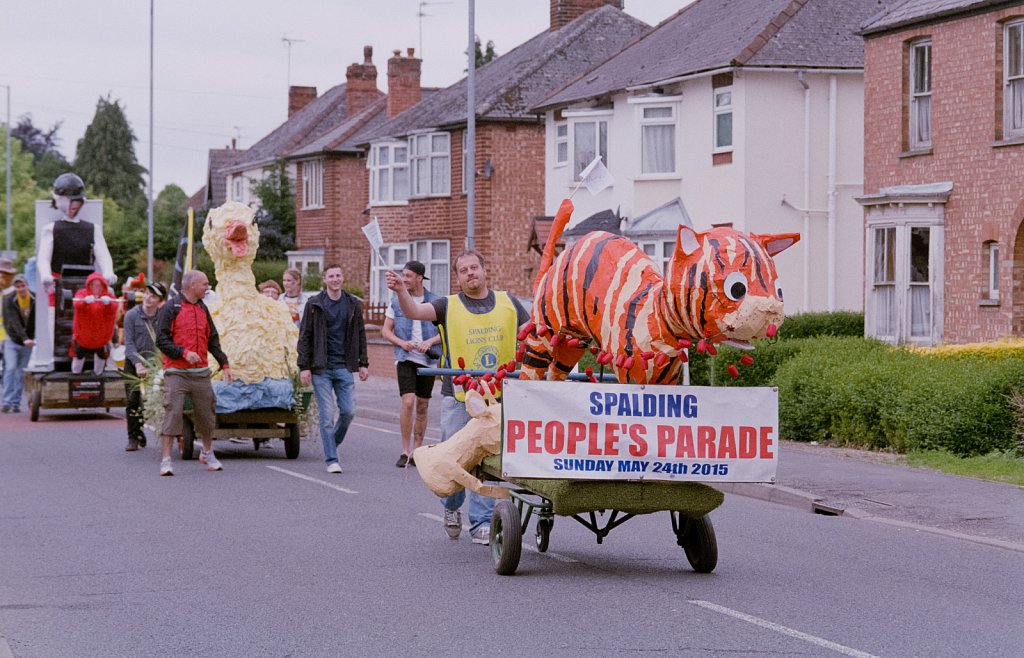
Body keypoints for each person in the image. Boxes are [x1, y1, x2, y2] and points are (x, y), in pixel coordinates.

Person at [387, 250, 528, 545]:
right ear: (458, 278)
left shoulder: (509, 303)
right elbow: (414, 312)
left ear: (485, 270)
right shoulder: (446, 305)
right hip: (459, 396)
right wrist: (401, 291)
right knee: (456, 459)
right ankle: (451, 506)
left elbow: (532, 335)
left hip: (497, 398)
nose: (470, 273)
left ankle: (481, 523)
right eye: (463, 270)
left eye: (474, 267)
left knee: (488, 460)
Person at [155, 270, 232, 476]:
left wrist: (224, 363)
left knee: (207, 414)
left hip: (200, 372)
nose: (208, 287)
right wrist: (183, 353)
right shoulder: (171, 308)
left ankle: (207, 452)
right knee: (173, 412)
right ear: (192, 286)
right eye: (204, 284)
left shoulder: (202, 308)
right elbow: (161, 340)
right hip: (176, 372)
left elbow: (212, 339)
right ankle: (166, 460)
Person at [297, 264, 369, 474]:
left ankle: (331, 443)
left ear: (342, 278)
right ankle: (332, 459)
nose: (335, 279)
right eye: (331, 276)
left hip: (344, 365)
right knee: (327, 414)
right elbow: (305, 336)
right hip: (321, 368)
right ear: (325, 279)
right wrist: (304, 366)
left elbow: (361, 334)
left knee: (348, 412)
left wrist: (363, 363)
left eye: (338, 275)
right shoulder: (314, 304)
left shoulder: (352, 304)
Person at [380, 260, 441, 468]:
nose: (404, 279)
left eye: (408, 276)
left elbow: (445, 332)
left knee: (423, 405)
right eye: (403, 275)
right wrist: (401, 343)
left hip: (428, 360)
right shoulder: (396, 301)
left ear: (419, 278)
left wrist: (429, 342)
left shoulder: (435, 302)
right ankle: (404, 451)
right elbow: (385, 331)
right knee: (408, 402)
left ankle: (417, 450)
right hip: (405, 357)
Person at [122, 281, 167, 451]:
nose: (148, 298)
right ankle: (133, 437)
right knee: (133, 400)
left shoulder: (163, 317)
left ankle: (154, 431)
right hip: (134, 363)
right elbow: (129, 343)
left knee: (153, 400)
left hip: (155, 364)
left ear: (160, 300)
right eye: (147, 294)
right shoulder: (132, 315)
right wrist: (138, 365)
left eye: (153, 296)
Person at [70, 272, 119, 374]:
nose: (96, 287)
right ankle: (75, 375)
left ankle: (98, 375)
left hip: (101, 339)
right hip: (83, 337)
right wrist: (84, 302)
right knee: (78, 357)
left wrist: (109, 303)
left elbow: (114, 307)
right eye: (93, 284)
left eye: (99, 285)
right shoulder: (82, 293)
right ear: (89, 285)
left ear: (103, 285)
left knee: (101, 358)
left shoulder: (109, 296)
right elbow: (76, 304)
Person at [2, 274, 35, 413]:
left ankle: (16, 403)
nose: (21, 289)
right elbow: (13, 321)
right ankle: (6, 402)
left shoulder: (34, 298)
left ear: (27, 285)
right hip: (13, 340)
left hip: (28, 342)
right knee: (10, 368)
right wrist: (24, 338)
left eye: (22, 286)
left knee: (21, 372)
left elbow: (38, 319)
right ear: (14, 288)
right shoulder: (9, 299)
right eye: (17, 286)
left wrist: (33, 338)